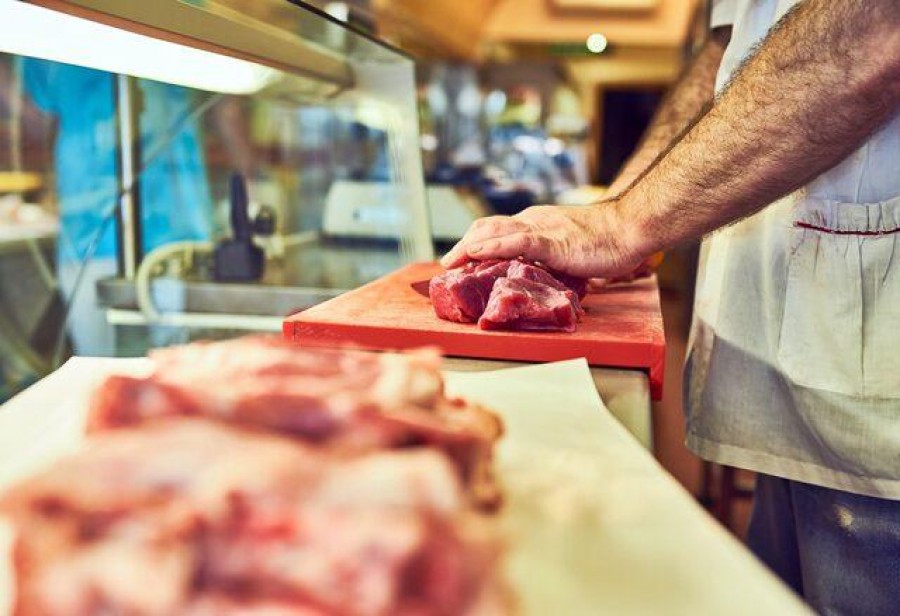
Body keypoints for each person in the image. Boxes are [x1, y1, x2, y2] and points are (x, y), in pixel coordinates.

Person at [444, 1, 900, 612]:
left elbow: (877, 27)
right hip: (792, 383)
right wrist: (619, 205)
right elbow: (724, 53)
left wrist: (624, 225)